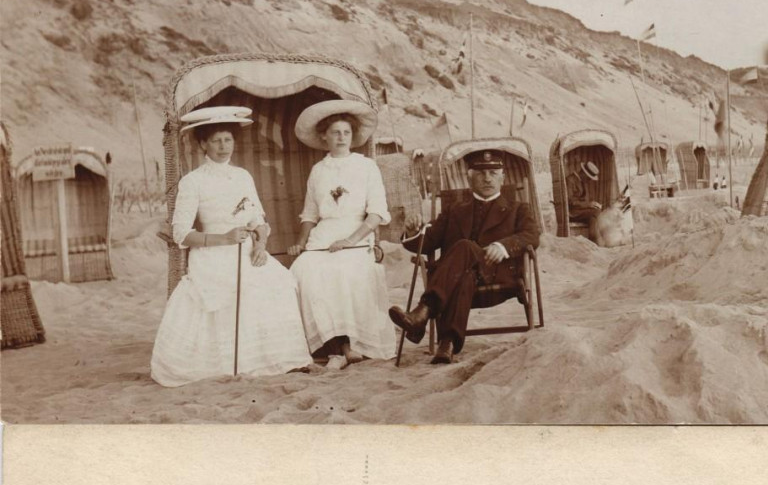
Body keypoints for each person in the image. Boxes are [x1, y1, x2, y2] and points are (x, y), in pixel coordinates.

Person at [150, 107, 312, 387]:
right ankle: (235, 365)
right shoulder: (192, 182)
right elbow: (181, 234)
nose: (224, 146)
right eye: (216, 140)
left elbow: (257, 219)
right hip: (212, 254)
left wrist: (261, 244)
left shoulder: (242, 177)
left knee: (280, 281)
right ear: (203, 144)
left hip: (247, 251)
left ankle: (276, 360)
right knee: (233, 292)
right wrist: (224, 238)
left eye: (228, 139)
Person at [388, 147, 540, 364]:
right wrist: (413, 231)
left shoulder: (518, 209)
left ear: (502, 177)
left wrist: (503, 246)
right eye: (480, 173)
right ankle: (447, 344)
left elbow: (532, 235)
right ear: (469, 177)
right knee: (464, 273)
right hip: (456, 281)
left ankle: (423, 312)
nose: (487, 178)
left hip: (498, 275)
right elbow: (427, 242)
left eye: (493, 173)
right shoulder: (454, 210)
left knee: (464, 247)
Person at [288, 101, 395, 368]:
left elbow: (377, 213)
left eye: (346, 133)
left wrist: (351, 240)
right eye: (335, 132)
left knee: (346, 271)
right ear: (324, 136)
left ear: (353, 136)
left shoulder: (366, 166)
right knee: (304, 270)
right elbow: (310, 214)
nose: (341, 138)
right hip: (323, 237)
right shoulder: (318, 170)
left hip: (357, 236)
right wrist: (300, 243)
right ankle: (336, 347)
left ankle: (349, 345)